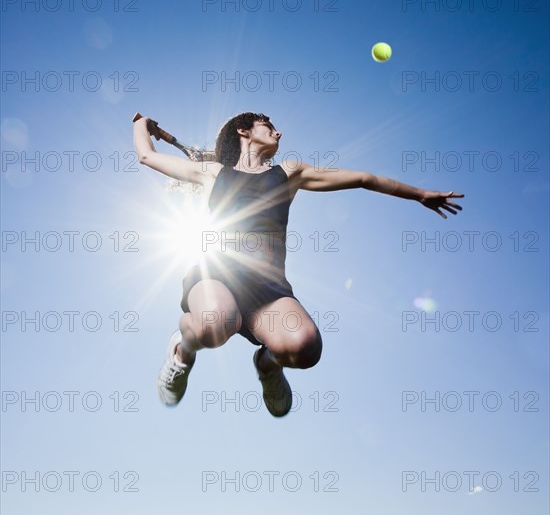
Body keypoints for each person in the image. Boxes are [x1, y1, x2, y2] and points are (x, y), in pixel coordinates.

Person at [133, 112, 464, 417]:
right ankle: (182, 351)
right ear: (244, 131)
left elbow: (363, 178)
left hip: (268, 287)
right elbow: (147, 156)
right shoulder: (211, 173)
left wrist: (419, 193)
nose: (279, 131)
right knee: (213, 323)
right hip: (218, 274)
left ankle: (268, 364)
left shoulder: (289, 172)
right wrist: (142, 124)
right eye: (268, 125)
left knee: (306, 349)